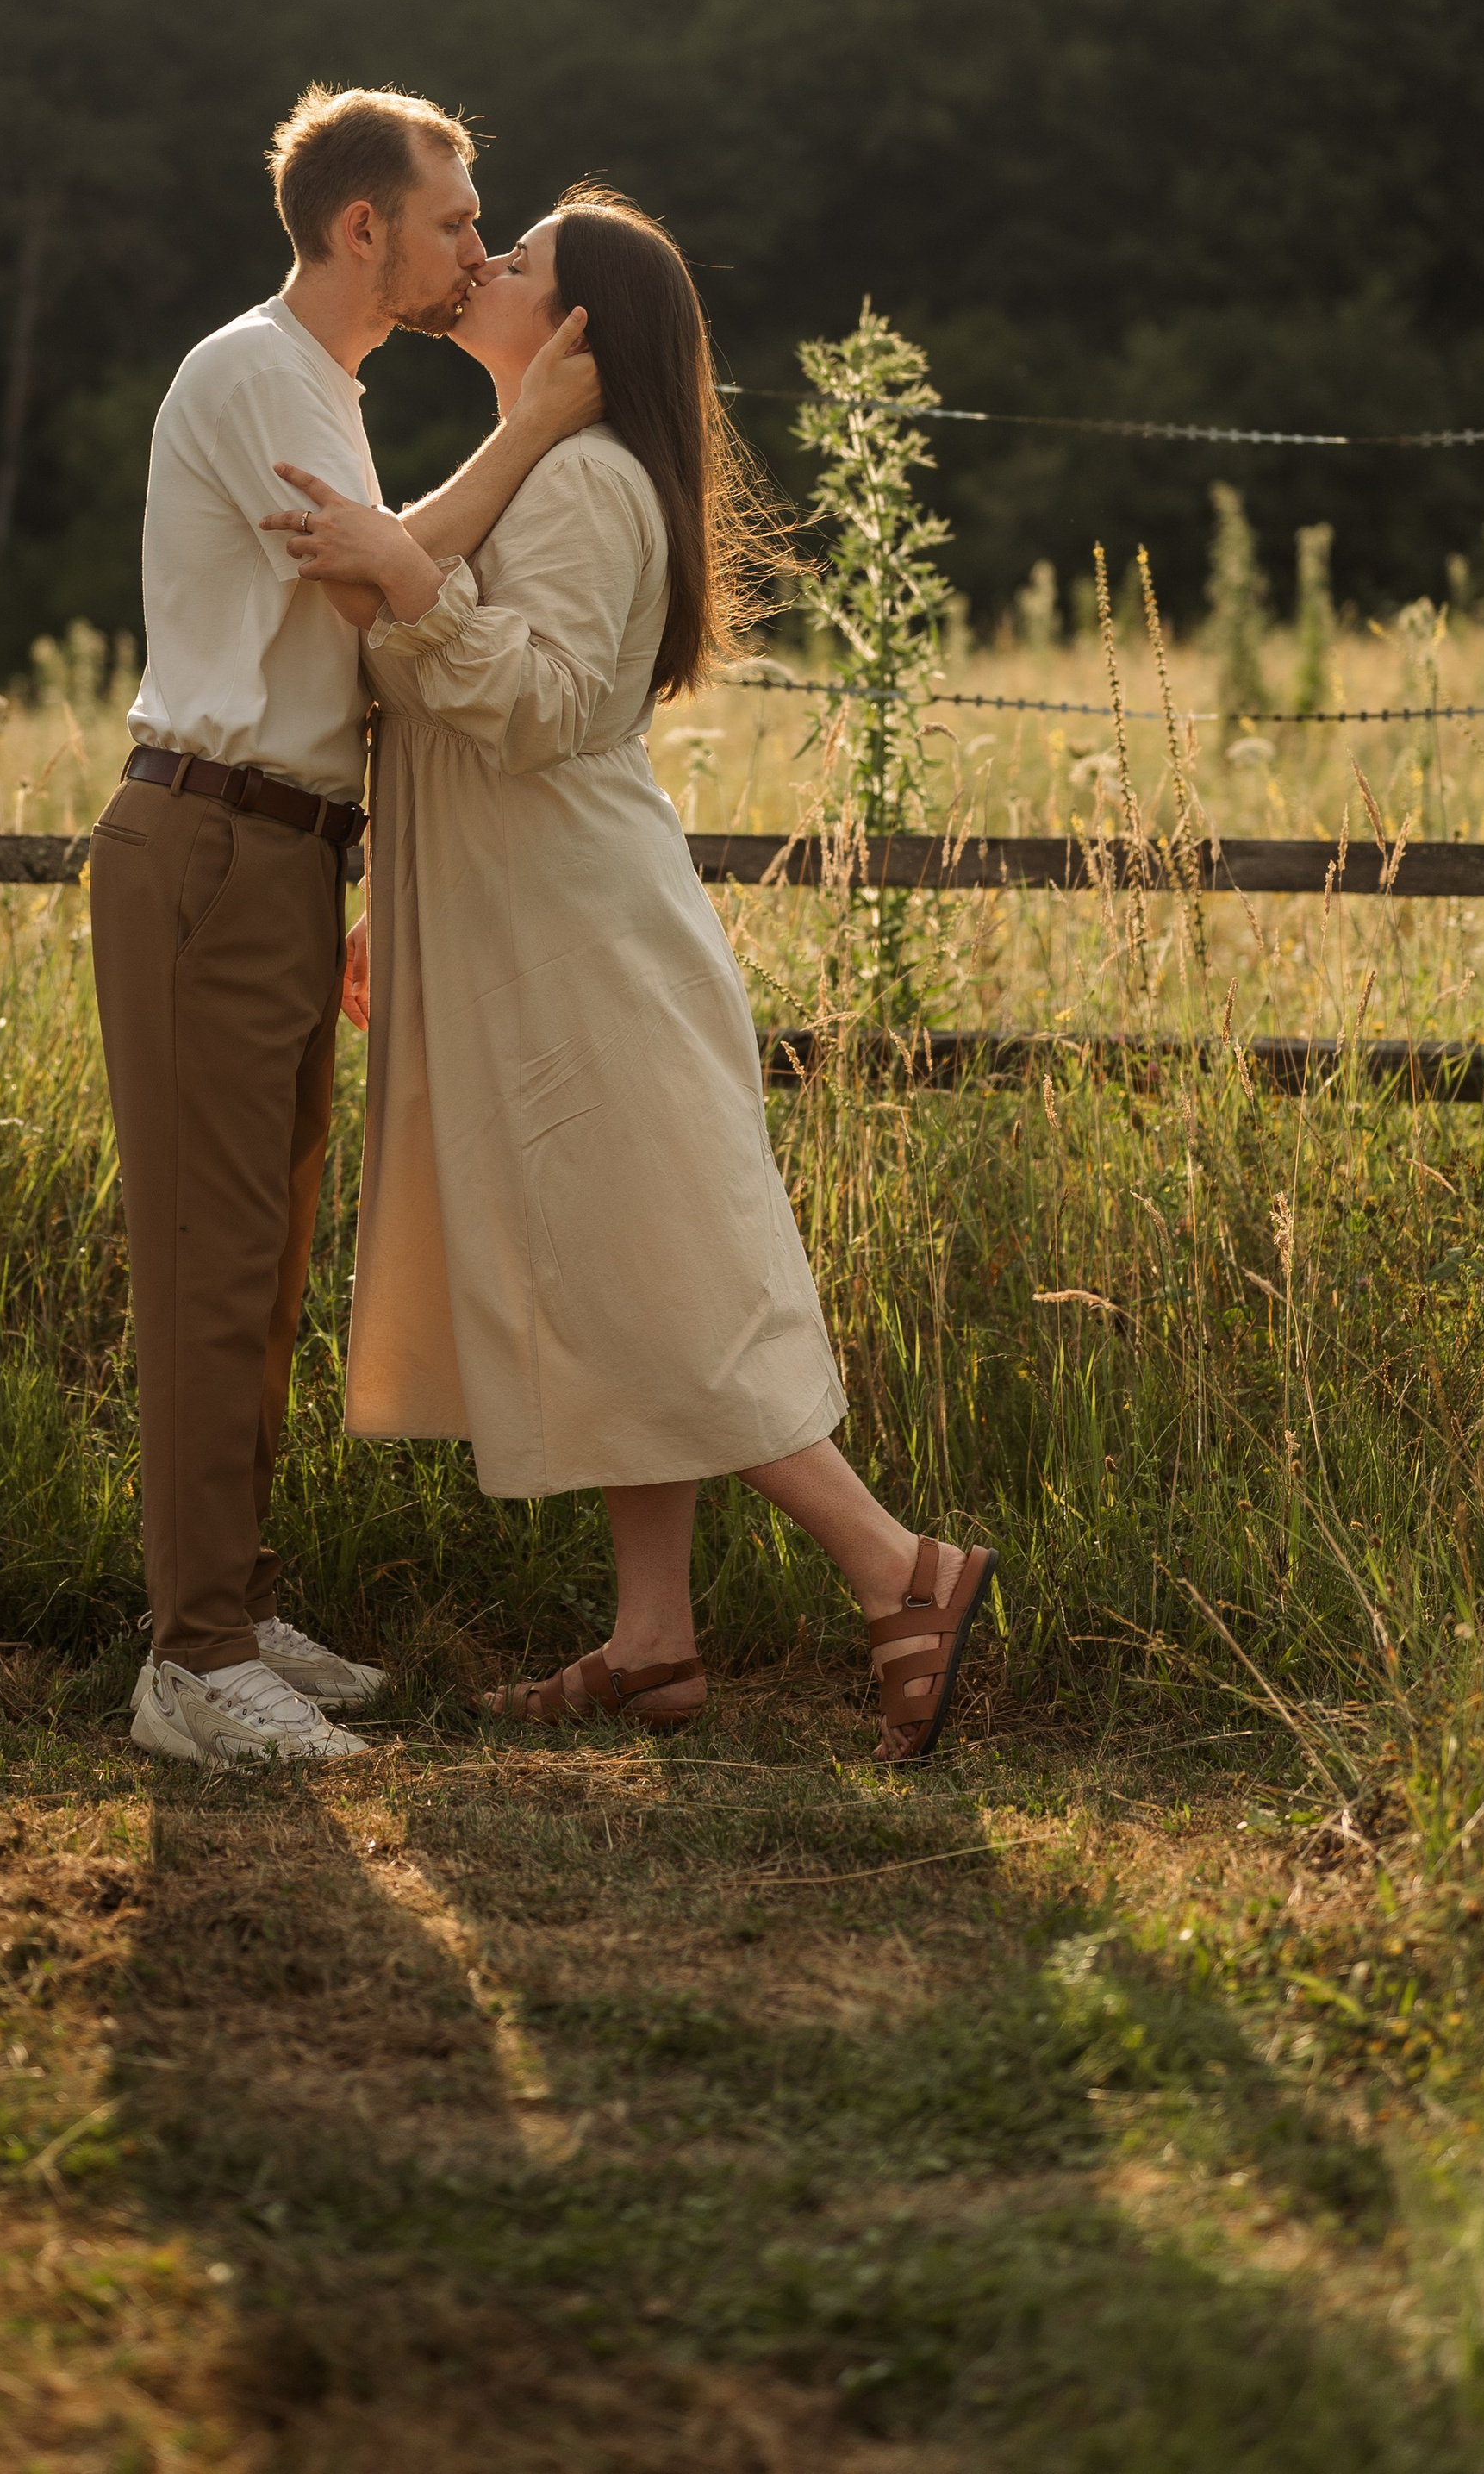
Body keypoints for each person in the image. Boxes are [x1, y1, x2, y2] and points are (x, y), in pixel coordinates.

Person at [265, 187, 995, 1753]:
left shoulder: (586, 482)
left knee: (662, 1280)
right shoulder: (532, 475)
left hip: (585, 939)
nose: (483, 265)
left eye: (513, 258)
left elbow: (540, 708)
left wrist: (406, 586)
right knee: (606, 1271)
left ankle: (902, 1568)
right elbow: (466, 726)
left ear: (582, 328)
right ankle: (654, 1644)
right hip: (519, 924)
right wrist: (407, 898)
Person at [95, 87, 601, 1768]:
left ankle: (228, 1607)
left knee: (262, 1259)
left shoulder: (328, 388)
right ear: (362, 227)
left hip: (288, 854)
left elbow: (367, 628)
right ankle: (190, 1659)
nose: (476, 244)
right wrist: (527, 432)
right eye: (456, 217)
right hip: (209, 848)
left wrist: (358, 877)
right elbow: (377, 588)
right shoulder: (253, 371)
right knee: (206, 1265)